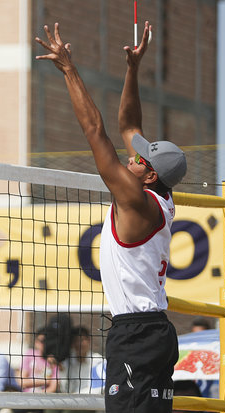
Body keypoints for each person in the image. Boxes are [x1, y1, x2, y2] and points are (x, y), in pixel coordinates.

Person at [36, 21, 186, 413]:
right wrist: (133, 69)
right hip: (152, 329)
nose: (130, 156)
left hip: (136, 333)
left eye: (138, 159)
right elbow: (128, 126)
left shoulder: (135, 201)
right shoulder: (158, 196)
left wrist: (69, 69)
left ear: (149, 174)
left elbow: (95, 130)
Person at [60, 326, 104, 395]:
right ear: (72, 344)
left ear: (89, 341)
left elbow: (101, 387)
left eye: (82, 340)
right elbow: (64, 389)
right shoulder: (66, 364)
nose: (79, 344)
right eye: (76, 341)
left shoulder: (99, 361)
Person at [19, 328, 59, 394]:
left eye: (44, 341)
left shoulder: (53, 360)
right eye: (38, 340)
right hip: (27, 396)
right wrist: (45, 381)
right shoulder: (29, 354)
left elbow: (53, 388)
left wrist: (38, 395)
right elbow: (22, 382)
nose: (40, 343)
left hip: (44, 398)